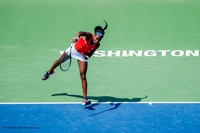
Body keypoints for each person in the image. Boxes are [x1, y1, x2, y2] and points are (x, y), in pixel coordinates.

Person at [42, 21, 108, 106]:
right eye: (97, 38)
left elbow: (91, 52)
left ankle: (85, 99)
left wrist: (87, 56)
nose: (97, 40)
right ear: (94, 35)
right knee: (59, 61)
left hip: (81, 56)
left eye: (100, 39)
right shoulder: (88, 35)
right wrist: (77, 38)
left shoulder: (97, 44)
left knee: (83, 76)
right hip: (73, 50)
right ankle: (49, 72)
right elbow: (80, 32)